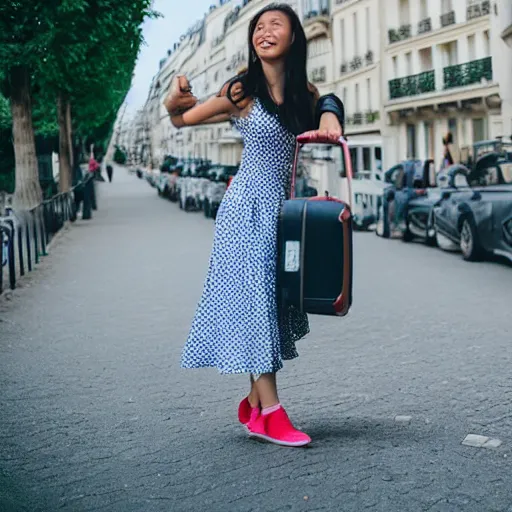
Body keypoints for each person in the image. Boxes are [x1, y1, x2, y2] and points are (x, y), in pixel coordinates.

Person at [164, 2, 345, 447]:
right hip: (245, 210)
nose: (263, 32)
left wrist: (329, 114)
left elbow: (329, 105)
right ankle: (271, 411)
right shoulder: (241, 91)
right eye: (257, 27)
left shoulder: (305, 92)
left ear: (294, 37)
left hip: (284, 215)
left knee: (275, 306)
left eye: (274, 25)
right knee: (255, 306)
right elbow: (182, 120)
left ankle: (252, 402)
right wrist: (173, 102)